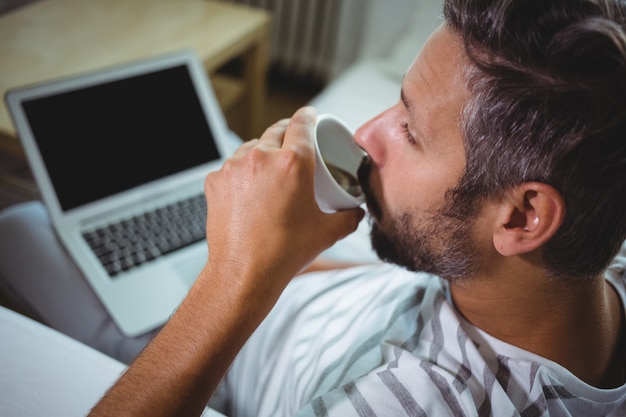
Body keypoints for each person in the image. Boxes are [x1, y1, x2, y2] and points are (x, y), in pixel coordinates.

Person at [2, 0, 626, 415]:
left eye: (411, 130)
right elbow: (394, 303)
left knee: (17, 229)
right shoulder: (566, 281)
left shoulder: (409, 402)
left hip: (219, 331)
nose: (366, 136)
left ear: (521, 218)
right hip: (293, 288)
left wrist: (237, 275)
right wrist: (292, 258)